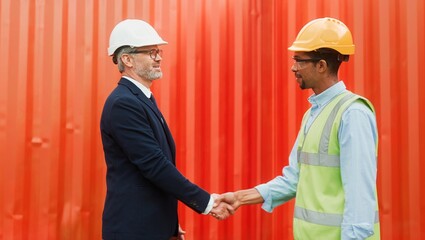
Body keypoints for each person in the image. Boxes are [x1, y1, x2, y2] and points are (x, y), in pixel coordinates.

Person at [218, 17, 380, 240]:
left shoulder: (353, 113)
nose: (293, 67)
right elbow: (294, 178)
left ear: (321, 66)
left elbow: (360, 195)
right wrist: (241, 198)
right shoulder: (314, 112)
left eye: (299, 60)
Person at [100, 19, 232, 240]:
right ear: (127, 59)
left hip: (148, 228)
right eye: (151, 52)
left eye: (158, 51)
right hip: (133, 231)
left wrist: (168, 223)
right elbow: (154, 165)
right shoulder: (124, 104)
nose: (159, 57)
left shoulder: (141, 98)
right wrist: (206, 203)